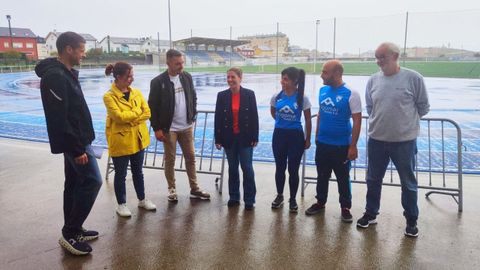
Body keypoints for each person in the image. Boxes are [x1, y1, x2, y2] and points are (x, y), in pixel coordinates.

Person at [34, 31, 102, 255]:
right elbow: (59, 118)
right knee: (92, 181)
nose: (84, 54)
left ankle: (75, 228)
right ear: (68, 49)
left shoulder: (67, 73)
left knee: (74, 184)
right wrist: (76, 149)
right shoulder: (55, 76)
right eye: (81, 50)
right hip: (76, 143)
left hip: (81, 139)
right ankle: (70, 233)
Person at [357, 42, 430, 237]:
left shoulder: (413, 78)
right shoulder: (373, 80)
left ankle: (411, 220)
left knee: (408, 183)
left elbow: (423, 107)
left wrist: (404, 126)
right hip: (377, 141)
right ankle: (371, 213)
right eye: (377, 57)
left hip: (404, 143)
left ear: (395, 56)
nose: (379, 61)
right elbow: (371, 107)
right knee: (373, 179)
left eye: (383, 57)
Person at [148, 49, 210, 202]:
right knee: (170, 159)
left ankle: (194, 188)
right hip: (169, 129)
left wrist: (192, 114)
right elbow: (152, 106)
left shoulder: (186, 76)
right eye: (177, 63)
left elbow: (193, 96)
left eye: (182, 62)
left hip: (186, 126)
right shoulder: (158, 82)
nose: (181, 66)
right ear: (168, 63)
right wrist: (156, 128)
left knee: (191, 157)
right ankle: (172, 189)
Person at [304, 60, 362, 223]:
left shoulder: (351, 93)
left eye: (325, 72)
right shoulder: (322, 90)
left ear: (336, 74)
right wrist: (316, 136)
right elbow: (321, 114)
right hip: (323, 143)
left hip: (341, 146)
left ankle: (345, 207)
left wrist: (353, 146)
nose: (321, 75)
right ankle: (320, 202)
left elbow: (357, 121)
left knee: (343, 178)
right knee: (322, 176)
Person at [103, 62, 157, 217]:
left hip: (138, 139)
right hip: (121, 142)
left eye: (132, 75)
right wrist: (136, 114)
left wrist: (132, 117)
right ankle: (121, 205)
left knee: (138, 172)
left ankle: (142, 199)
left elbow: (147, 112)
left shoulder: (136, 92)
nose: (132, 79)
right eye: (129, 76)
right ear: (119, 77)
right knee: (120, 174)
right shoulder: (109, 96)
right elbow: (118, 117)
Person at [214, 67, 259, 210]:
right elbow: (218, 118)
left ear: (240, 78)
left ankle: (249, 199)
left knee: (247, 168)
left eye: (233, 77)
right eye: (228, 77)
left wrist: (255, 136)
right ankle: (234, 197)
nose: (230, 80)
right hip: (229, 138)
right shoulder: (221, 95)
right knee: (233, 168)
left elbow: (254, 117)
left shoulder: (249, 94)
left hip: (245, 138)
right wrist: (218, 138)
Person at [270, 67, 312, 212]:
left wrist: (308, 139)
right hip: (279, 135)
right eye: (282, 78)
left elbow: (308, 119)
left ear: (295, 81)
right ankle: (280, 195)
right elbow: (273, 111)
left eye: (285, 79)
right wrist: (282, 122)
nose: (282, 81)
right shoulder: (277, 96)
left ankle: (293, 199)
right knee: (280, 168)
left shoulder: (302, 97)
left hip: (296, 137)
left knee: (293, 170)